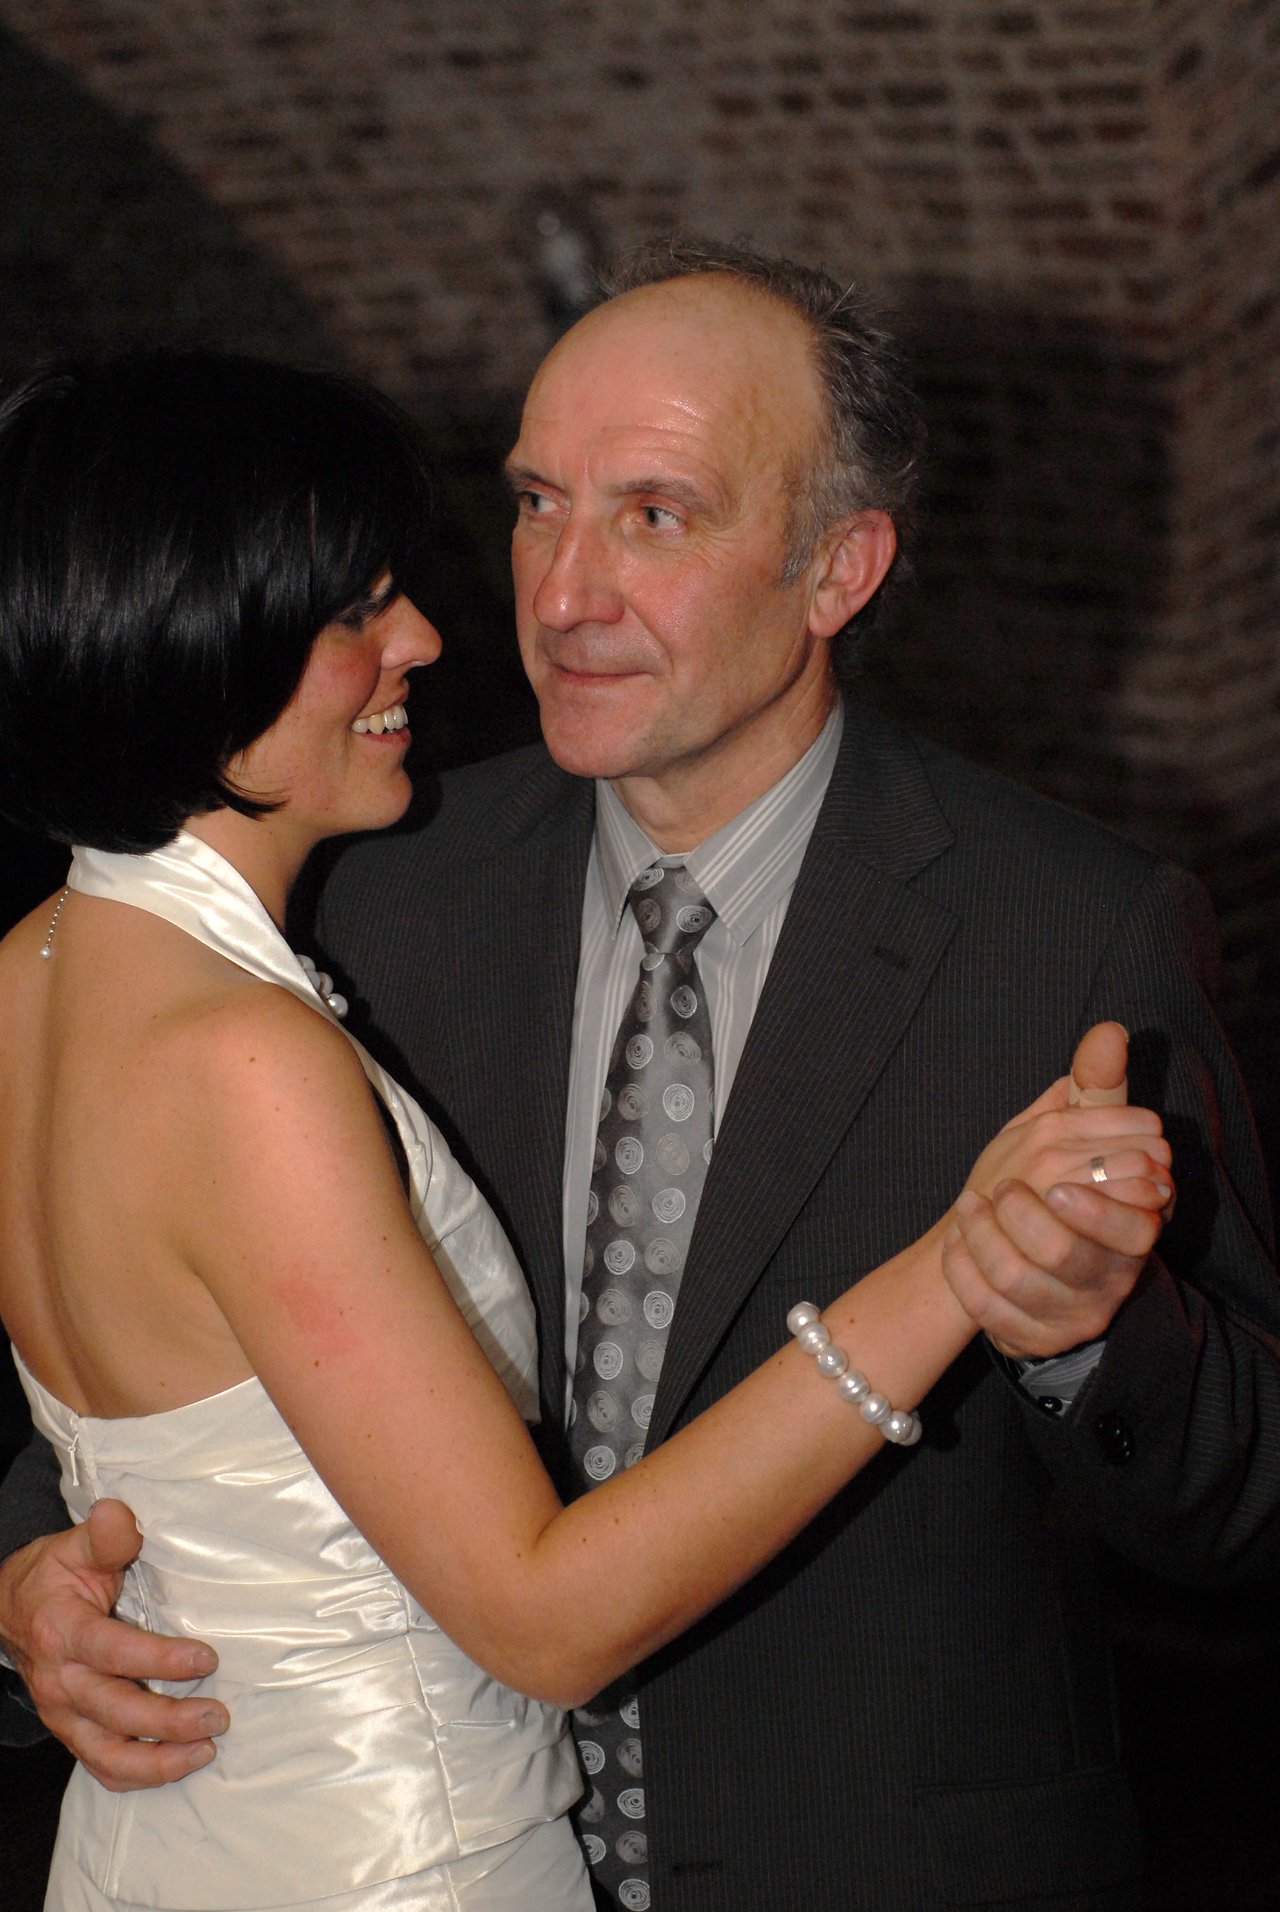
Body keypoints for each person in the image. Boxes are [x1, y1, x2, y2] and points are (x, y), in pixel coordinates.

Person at [0, 347, 1172, 1912]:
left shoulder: (31, 970)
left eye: (654, 514)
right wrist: (957, 1267)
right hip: (398, 1865)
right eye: (355, 610)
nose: (440, 631)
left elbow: (179, 1399)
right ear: (192, 634)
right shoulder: (261, 1040)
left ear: (841, 567)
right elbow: (541, 1622)